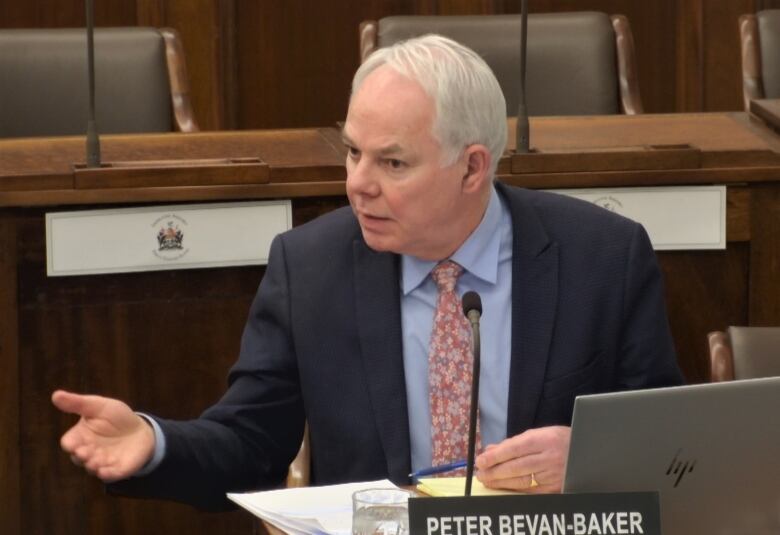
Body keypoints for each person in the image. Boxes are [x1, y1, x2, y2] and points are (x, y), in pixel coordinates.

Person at [52, 34, 684, 510]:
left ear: (472, 168)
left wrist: (592, 462)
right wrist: (152, 443)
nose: (358, 184)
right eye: (353, 151)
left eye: (393, 163)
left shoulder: (603, 258)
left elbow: (673, 449)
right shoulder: (309, 267)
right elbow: (251, 442)